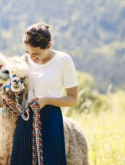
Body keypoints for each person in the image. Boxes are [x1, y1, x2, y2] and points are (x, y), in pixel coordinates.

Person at [10, 23, 78, 165]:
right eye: (27, 52)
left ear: (48, 46)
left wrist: (46, 100)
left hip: (51, 117)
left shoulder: (64, 61)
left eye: (36, 54)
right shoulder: (23, 61)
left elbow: (72, 99)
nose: (31, 57)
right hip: (26, 117)